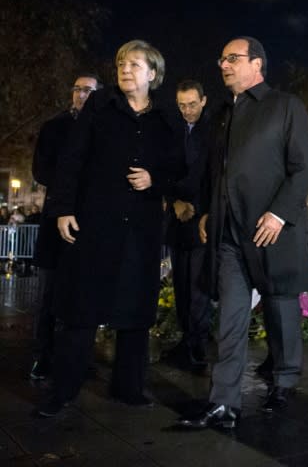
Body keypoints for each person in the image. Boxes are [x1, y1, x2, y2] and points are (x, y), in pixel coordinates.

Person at [35, 40, 184, 417]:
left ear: (153, 74)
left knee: (136, 310)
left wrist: (155, 179)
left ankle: (128, 387)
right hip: (95, 223)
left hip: (141, 229)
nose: (126, 69)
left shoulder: (165, 120)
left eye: (135, 64)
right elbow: (72, 158)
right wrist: (63, 208)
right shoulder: (100, 108)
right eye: (121, 63)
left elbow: (179, 170)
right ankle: (62, 393)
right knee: (81, 309)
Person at [178, 36, 308, 429]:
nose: (223, 65)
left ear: (257, 64)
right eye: (221, 58)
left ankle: (284, 383)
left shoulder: (286, 106)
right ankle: (223, 403)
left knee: (280, 308)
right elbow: (214, 173)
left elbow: (303, 167)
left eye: (232, 58)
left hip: (271, 229)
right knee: (231, 318)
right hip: (228, 235)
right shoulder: (224, 114)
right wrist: (207, 213)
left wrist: (278, 214)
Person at [29, 73, 101, 381]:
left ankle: (79, 357)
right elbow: (41, 170)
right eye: (78, 89)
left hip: (91, 222)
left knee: (84, 295)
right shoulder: (53, 128)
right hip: (56, 218)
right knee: (50, 294)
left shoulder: (103, 129)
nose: (82, 94)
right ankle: (43, 356)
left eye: (89, 90)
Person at [163, 79, 213, 370]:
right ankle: (186, 341)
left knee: (198, 288)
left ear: (203, 101)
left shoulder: (213, 132)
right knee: (180, 285)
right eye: (182, 105)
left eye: (192, 104)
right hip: (177, 219)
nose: (187, 110)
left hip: (202, 220)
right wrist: (174, 202)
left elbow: (214, 175)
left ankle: (197, 345)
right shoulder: (173, 130)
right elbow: (164, 169)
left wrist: (200, 208)